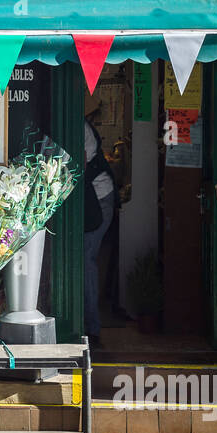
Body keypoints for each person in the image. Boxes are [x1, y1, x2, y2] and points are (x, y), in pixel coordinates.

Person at [83, 113, 117, 345]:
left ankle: (92, 329)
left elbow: (79, 162)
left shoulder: (76, 126)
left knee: (86, 259)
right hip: (91, 198)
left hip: (98, 199)